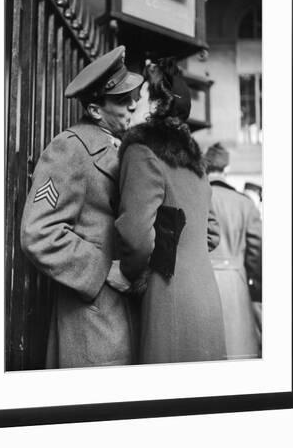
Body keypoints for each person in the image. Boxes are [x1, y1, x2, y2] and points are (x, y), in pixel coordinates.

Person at [20, 46, 143, 369]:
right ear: (95, 110)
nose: (133, 104)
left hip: (123, 309)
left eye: (132, 95)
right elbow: (39, 232)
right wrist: (104, 269)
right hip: (93, 317)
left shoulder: (124, 149)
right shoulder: (69, 149)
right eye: (120, 99)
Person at [115, 59, 226, 364]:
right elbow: (212, 233)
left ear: (155, 106)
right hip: (205, 297)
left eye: (141, 96)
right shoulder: (196, 165)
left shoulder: (141, 152)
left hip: (167, 300)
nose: (132, 102)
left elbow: (136, 235)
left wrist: (130, 274)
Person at [205, 143, 262, 359]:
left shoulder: (198, 197)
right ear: (226, 168)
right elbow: (256, 252)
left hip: (203, 282)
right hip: (236, 283)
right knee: (238, 350)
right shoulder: (245, 204)